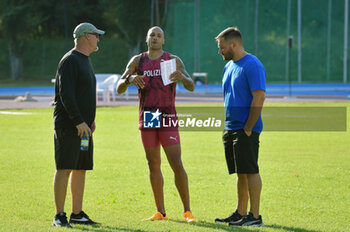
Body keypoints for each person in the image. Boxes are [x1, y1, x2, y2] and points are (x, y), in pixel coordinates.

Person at [116, 26, 196, 223]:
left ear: (163, 41)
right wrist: (130, 79)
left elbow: (191, 85)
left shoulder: (172, 60)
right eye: (152, 35)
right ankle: (160, 211)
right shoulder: (138, 61)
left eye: (159, 35)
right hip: (149, 116)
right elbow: (119, 87)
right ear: (147, 39)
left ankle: (187, 211)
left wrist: (182, 77)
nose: (155, 38)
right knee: (153, 164)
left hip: (167, 115)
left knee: (176, 163)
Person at [52, 22, 104, 227]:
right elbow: (66, 95)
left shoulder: (85, 60)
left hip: (84, 129)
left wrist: (89, 120)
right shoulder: (70, 60)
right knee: (64, 167)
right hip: (69, 126)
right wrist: (78, 121)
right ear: (85, 36)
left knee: (80, 167)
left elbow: (84, 94)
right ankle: (59, 215)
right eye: (96, 35)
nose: (98, 39)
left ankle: (77, 213)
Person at [214, 27, 266, 227]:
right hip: (231, 127)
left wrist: (248, 127)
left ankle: (255, 216)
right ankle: (241, 213)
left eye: (222, 47)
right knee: (240, 171)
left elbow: (259, 96)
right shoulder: (229, 67)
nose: (220, 51)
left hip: (246, 129)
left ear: (233, 45)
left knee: (251, 170)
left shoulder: (252, 65)